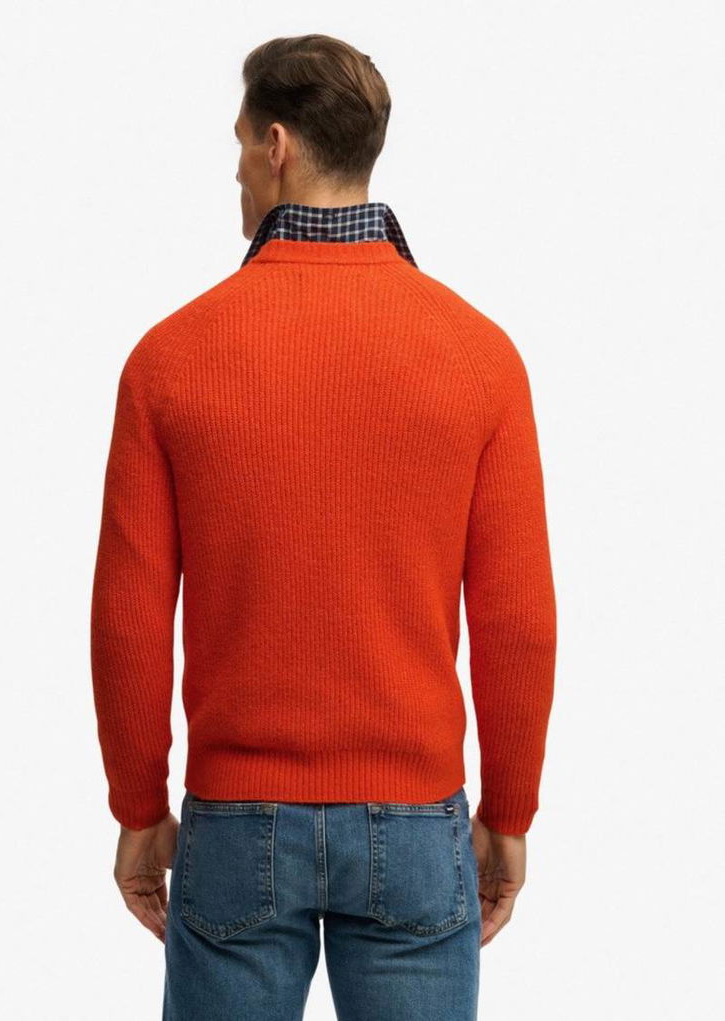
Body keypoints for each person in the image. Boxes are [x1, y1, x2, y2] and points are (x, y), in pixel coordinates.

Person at [90, 33, 557, 1021]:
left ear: (277, 145)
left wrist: (138, 808)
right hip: (415, 821)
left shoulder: (169, 361)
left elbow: (128, 616)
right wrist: (508, 812)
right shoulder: (480, 358)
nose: (234, 171)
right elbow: (517, 618)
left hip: (233, 821)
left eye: (237, 145)